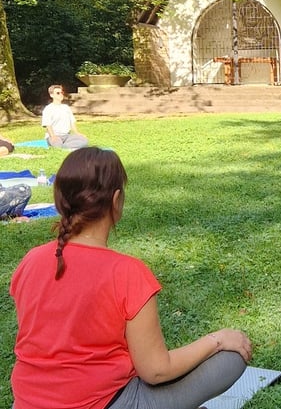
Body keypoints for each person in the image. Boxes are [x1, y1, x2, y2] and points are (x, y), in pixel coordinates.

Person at [10, 147, 252, 409]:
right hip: (107, 403)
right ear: (116, 200)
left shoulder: (30, 261)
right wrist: (217, 340)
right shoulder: (127, 272)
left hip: (26, 403)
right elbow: (156, 370)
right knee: (230, 357)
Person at [41, 84, 88, 149]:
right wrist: (53, 136)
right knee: (57, 143)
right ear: (51, 95)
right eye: (58, 93)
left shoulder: (66, 107)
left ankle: (65, 146)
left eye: (61, 93)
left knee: (84, 140)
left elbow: (72, 122)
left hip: (67, 136)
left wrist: (77, 133)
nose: (60, 95)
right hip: (54, 136)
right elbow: (48, 125)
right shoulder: (48, 109)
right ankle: (64, 146)